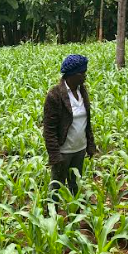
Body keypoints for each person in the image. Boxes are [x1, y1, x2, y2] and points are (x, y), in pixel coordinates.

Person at [42, 54, 96, 197]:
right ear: (72, 75)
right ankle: (52, 215)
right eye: (82, 73)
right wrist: (55, 155)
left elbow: (86, 122)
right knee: (56, 187)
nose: (85, 76)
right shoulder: (55, 95)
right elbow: (49, 129)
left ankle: (75, 212)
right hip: (63, 152)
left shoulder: (82, 91)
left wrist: (90, 145)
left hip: (80, 149)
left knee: (75, 184)